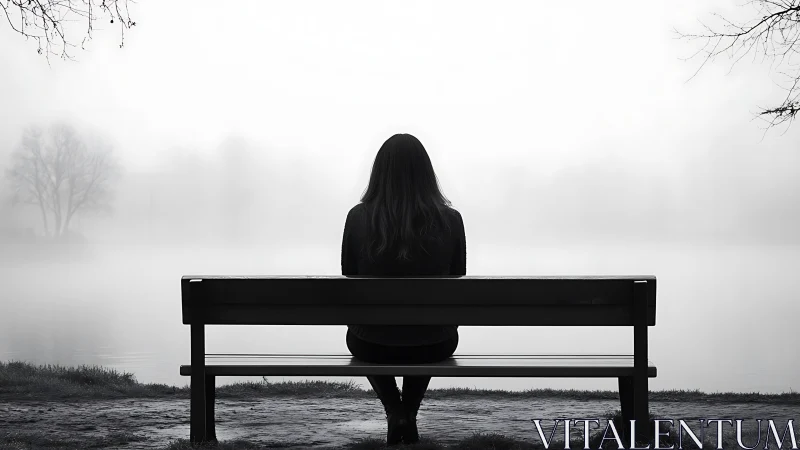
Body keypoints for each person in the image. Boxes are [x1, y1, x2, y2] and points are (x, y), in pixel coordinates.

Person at [341, 133, 467, 446]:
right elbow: (459, 276)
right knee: (426, 328)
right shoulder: (451, 220)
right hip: (435, 343)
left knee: (374, 331)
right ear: (426, 173)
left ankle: (396, 411)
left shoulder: (357, 219)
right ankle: (406, 412)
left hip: (370, 343)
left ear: (378, 172)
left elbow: (348, 275)